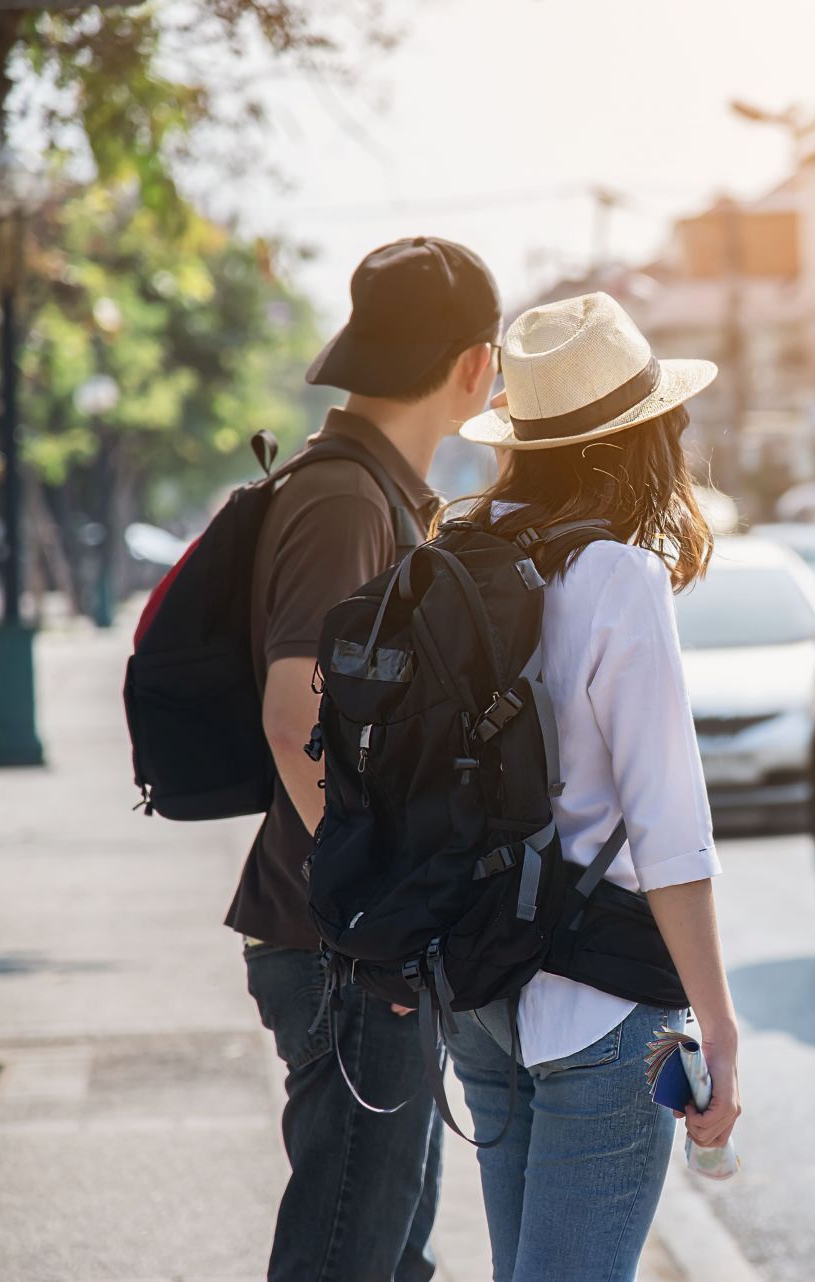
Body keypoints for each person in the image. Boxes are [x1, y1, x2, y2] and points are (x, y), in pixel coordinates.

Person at [448, 291, 744, 1281]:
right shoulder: (619, 576)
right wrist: (718, 1025)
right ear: (634, 445)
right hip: (603, 1008)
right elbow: (669, 830)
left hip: (481, 986)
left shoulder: (458, 551)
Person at [228, 236, 501, 1282]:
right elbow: (296, 708)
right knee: (348, 1258)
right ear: (475, 365)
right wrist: (378, 904)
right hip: (343, 942)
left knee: (391, 1255)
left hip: (357, 942)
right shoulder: (347, 500)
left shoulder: (376, 491)